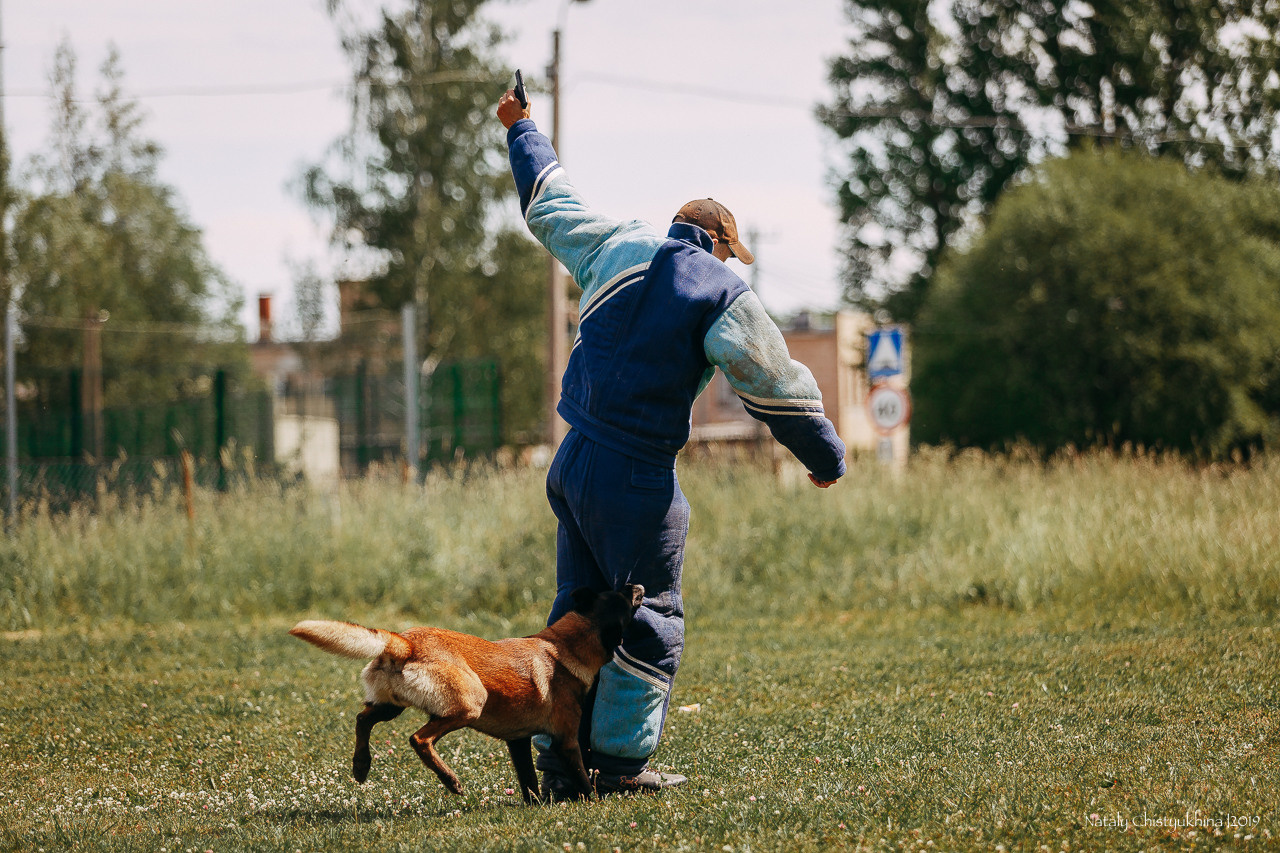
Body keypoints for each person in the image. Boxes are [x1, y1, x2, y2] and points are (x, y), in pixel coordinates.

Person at [497, 90, 847, 798]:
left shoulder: (613, 243)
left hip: (573, 462)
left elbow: (545, 200)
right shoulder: (720, 291)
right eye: (733, 253)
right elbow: (775, 382)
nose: (735, 264)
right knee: (649, 618)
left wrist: (521, 126)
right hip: (637, 477)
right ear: (719, 244)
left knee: (575, 614)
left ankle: (561, 761)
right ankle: (619, 768)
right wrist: (825, 458)